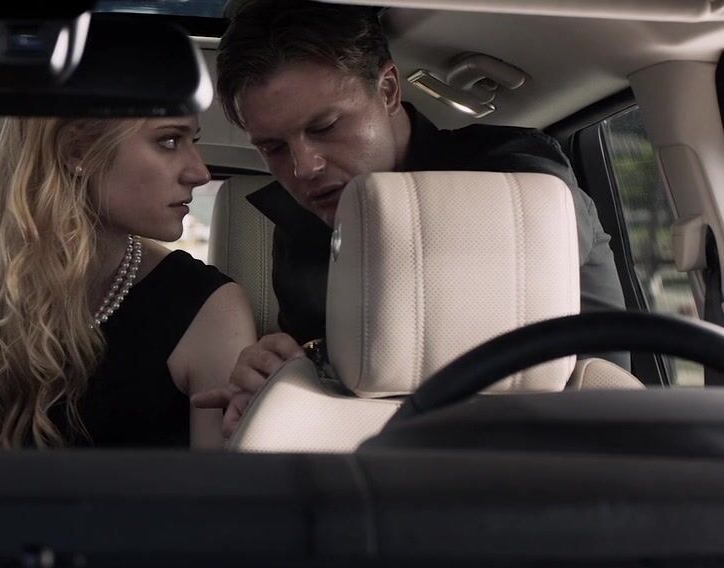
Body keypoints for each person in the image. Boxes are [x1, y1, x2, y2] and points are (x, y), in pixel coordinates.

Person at [192, 0, 628, 437]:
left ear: (387, 90)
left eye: (324, 127)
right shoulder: (300, 229)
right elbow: (330, 377)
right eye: (273, 148)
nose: (303, 167)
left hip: (572, 445)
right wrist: (280, 378)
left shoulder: (511, 174)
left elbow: (506, 277)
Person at [0, 115, 257, 449]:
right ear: (78, 151)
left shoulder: (209, 312)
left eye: (194, 140)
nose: (199, 172)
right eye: (169, 141)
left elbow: (222, 500)